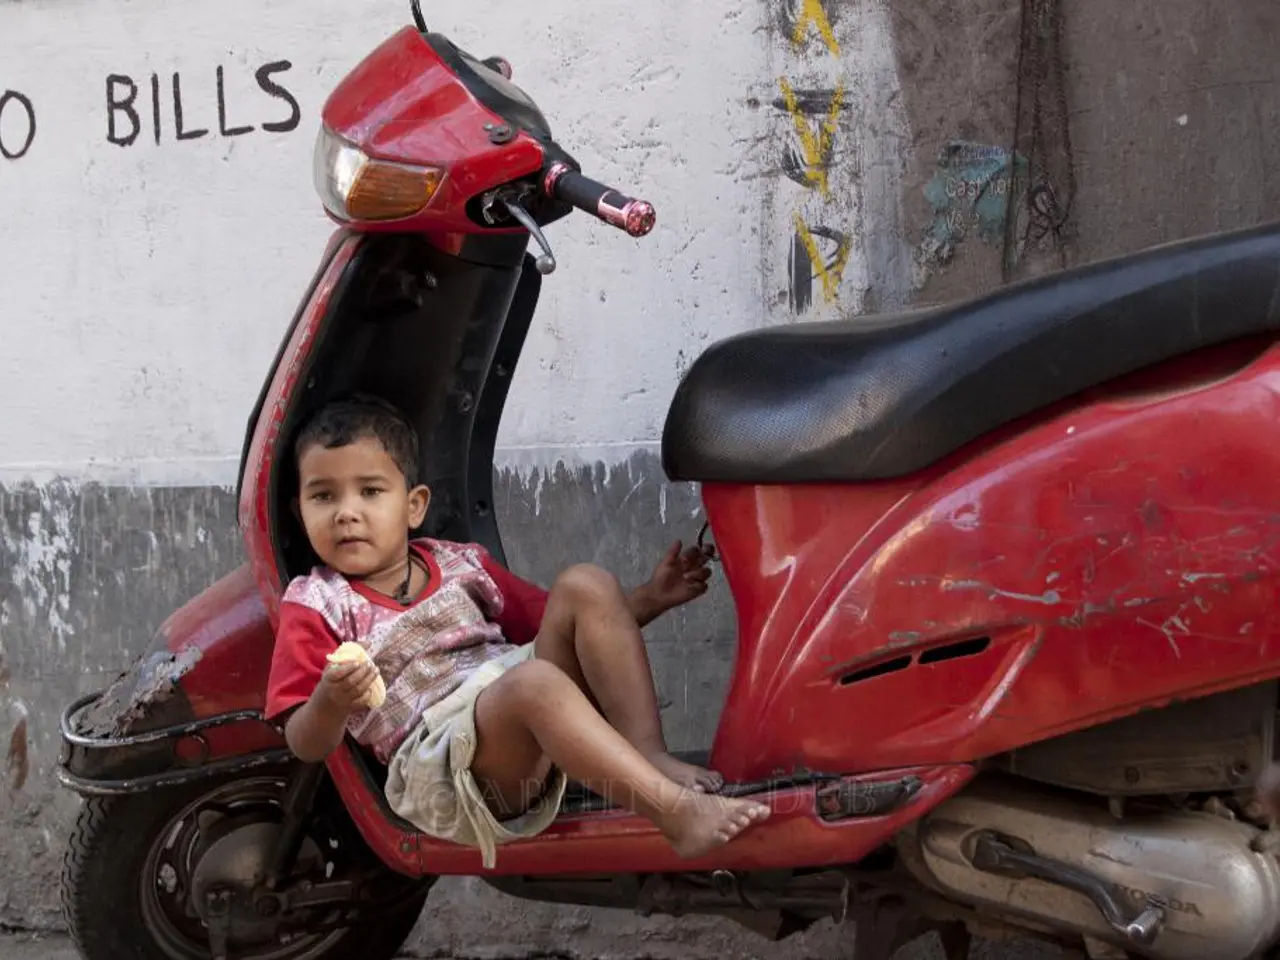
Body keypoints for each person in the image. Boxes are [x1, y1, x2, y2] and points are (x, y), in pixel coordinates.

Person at [264, 395, 769, 869]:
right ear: (299, 512)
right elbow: (305, 742)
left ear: (413, 505)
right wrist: (331, 701)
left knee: (586, 584)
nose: (346, 512)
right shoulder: (317, 603)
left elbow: (573, 628)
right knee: (536, 684)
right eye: (323, 496)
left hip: (515, 703)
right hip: (442, 764)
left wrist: (649, 600)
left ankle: (648, 754)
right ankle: (673, 814)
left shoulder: (460, 565)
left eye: (370, 491)